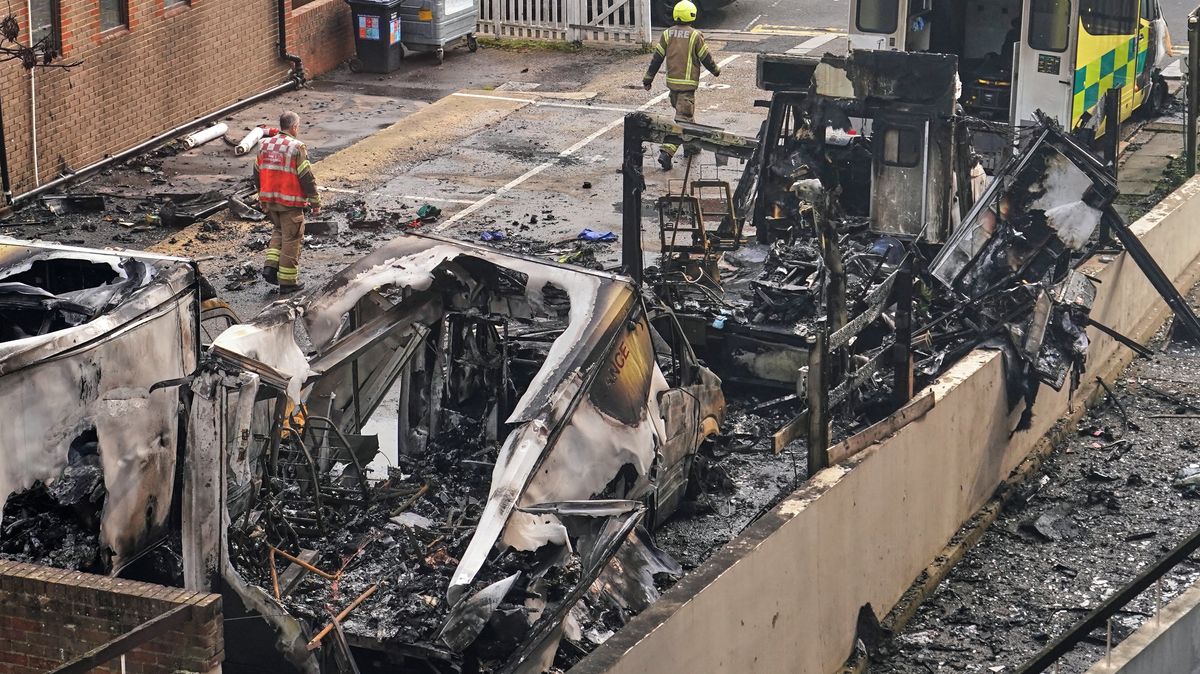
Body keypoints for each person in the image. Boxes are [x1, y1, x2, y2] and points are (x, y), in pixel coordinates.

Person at [642, 0, 721, 170]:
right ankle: (667, 151)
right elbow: (706, 57)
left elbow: (657, 59)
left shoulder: (667, 34)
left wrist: (648, 78)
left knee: (685, 116)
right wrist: (715, 70)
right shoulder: (695, 36)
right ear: (692, 15)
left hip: (673, 86)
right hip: (687, 87)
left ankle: (691, 147)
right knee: (683, 120)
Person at [254, 110, 320, 293]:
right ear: (294, 127)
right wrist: (315, 202)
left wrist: (262, 197)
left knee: (279, 231)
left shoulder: (264, 145)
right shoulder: (296, 147)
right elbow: (306, 177)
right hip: (290, 203)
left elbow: (257, 174)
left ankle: (270, 267)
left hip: (270, 200)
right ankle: (288, 283)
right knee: (292, 239)